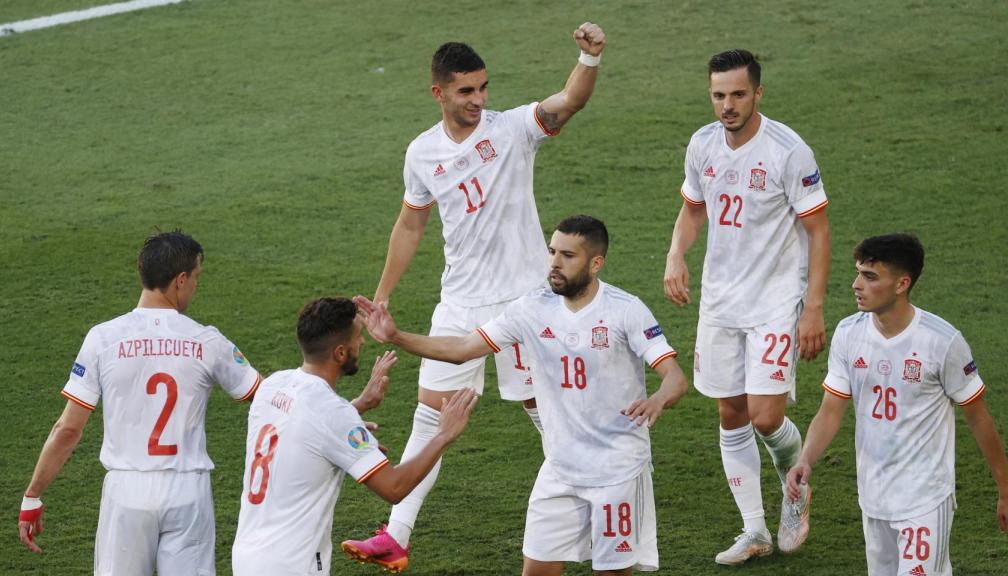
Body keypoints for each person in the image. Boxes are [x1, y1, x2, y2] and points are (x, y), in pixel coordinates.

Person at [342, 22, 607, 570]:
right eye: (466, 91)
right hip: (459, 302)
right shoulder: (421, 152)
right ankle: (396, 536)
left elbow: (569, 102)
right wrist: (383, 295)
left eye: (483, 88)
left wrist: (589, 60)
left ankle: (600, 511)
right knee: (430, 416)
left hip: (524, 302)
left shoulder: (511, 129)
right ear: (438, 92)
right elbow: (411, 225)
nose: (478, 100)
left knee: (548, 414)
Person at [356, 215, 688, 576]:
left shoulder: (625, 311)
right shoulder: (532, 308)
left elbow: (674, 377)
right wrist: (397, 336)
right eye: (551, 252)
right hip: (559, 469)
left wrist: (658, 399)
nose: (555, 263)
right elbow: (464, 347)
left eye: (568, 255)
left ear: (596, 263)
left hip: (616, 472)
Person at [662, 48, 831, 563]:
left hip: (776, 302)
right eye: (719, 95)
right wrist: (675, 253)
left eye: (738, 94)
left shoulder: (788, 151)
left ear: (758, 92)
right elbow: (693, 210)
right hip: (719, 300)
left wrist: (813, 308)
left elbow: (818, 230)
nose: (728, 105)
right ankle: (754, 529)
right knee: (730, 412)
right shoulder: (703, 144)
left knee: (763, 417)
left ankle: (794, 480)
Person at [17, 231, 263, 575]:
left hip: (127, 491)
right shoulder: (207, 340)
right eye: (196, 277)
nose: (195, 285)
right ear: (180, 280)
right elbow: (263, 396)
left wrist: (33, 495)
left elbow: (68, 429)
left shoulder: (103, 338)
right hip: (188, 490)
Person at [786, 234, 1008, 575]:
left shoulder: (942, 341)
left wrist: (1005, 487)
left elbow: (979, 418)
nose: (856, 284)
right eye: (859, 273)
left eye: (870, 277)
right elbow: (831, 409)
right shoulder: (849, 334)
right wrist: (806, 458)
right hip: (873, 498)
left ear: (902, 283)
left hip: (925, 498)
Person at [231, 298, 478, 575]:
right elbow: (394, 488)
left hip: (246, 555)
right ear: (339, 353)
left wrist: (359, 404)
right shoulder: (333, 414)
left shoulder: (273, 385)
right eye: (358, 337)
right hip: (292, 564)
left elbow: (303, 427)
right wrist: (443, 435)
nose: (361, 342)